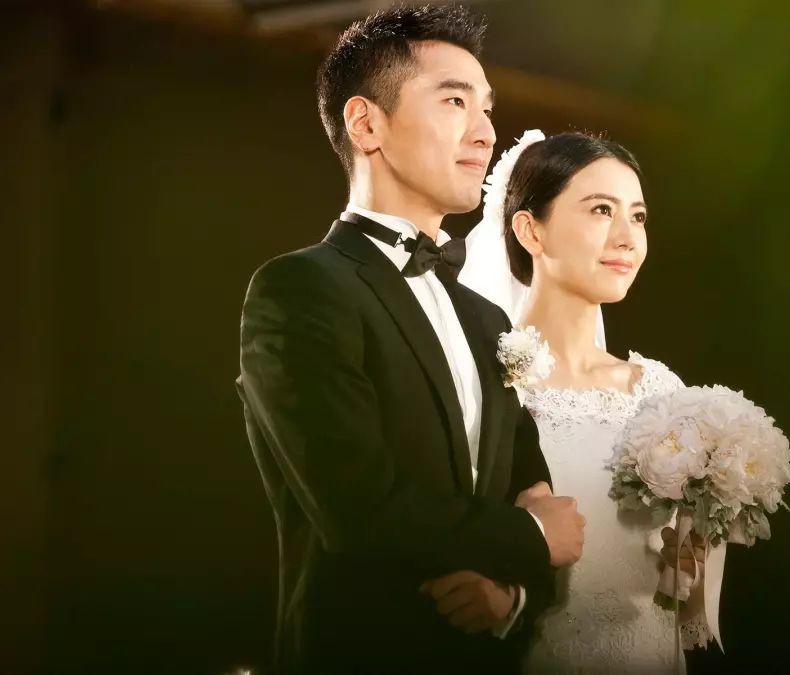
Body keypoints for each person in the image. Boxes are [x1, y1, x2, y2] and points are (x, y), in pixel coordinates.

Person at [236, 7, 585, 673]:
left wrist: (511, 597)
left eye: (486, 109)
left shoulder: (488, 320)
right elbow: (357, 509)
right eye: (455, 101)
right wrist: (531, 536)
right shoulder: (299, 289)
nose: (485, 133)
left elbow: (532, 492)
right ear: (366, 124)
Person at [456, 130, 712, 673]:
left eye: (638, 217)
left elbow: (686, 591)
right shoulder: (489, 384)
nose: (627, 238)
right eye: (601, 210)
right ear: (530, 230)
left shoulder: (662, 392)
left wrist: (693, 558)